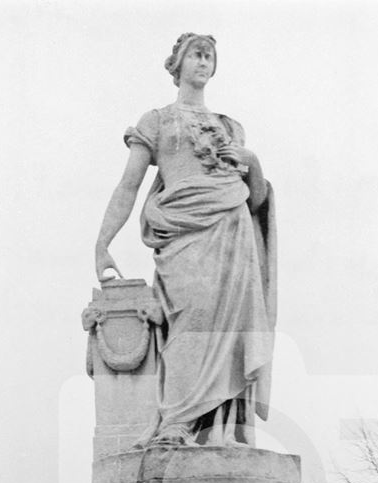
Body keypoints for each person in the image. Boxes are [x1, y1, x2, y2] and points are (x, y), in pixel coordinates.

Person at [95, 33, 276, 447]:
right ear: (177, 64)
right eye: (195, 54)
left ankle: (220, 432)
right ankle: (177, 420)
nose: (203, 62)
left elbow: (257, 199)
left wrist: (252, 162)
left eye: (209, 56)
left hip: (233, 231)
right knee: (190, 320)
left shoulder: (230, 127)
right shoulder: (157, 120)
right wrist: (103, 242)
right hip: (183, 236)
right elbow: (129, 185)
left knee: (229, 335)